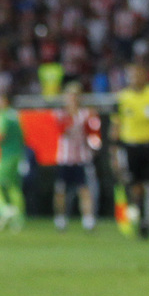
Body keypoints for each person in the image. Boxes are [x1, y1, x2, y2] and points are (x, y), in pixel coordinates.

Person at [114, 64, 149, 240]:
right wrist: (115, 152)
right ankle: (143, 221)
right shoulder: (123, 98)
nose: (135, 78)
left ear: (145, 75)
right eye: (132, 75)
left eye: (138, 74)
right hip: (131, 146)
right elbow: (116, 125)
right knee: (136, 188)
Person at [52, 85, 100, 232]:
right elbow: (60, 131)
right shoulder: (60, 114)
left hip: (81, 158)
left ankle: (88, 220)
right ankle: (60, 218)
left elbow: (94, 135)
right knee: (61, 191)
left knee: (84, 190)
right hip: (64, 158)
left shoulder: (86, 114)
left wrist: (93, 146)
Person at [0, 93, 26, 231]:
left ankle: (3, 210)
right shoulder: (16, 115)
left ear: (5, 101)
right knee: (13, 186)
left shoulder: (1, 115)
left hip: (6, 155)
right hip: (18, 154)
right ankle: (18, 219)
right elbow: (22, 136)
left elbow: (2, 135)